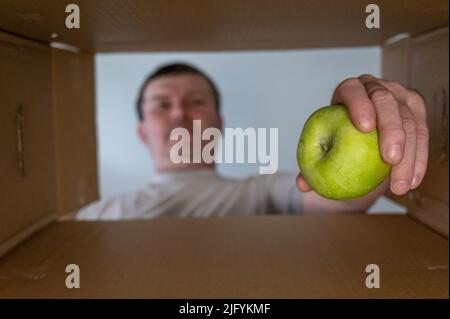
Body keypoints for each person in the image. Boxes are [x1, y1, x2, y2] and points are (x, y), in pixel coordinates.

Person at [76, 63, 429, 220]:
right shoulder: (94, 217)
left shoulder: (264, 192)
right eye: (162, 105)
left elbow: (344, 200)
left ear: (220, 124)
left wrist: (387, 136)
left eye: (197, 102)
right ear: (142, 131)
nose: (180, 114)